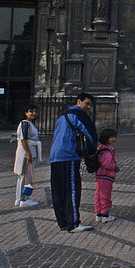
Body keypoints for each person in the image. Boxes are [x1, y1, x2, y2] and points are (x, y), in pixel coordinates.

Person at [49, 92, 97, 232]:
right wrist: (92, 150)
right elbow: (90, 135)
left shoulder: (62, 116)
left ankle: (63, 222)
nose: (88, 107)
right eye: (87, 103)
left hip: (55, 157)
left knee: (58, 191)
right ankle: (74, 223)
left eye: (90, 105)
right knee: (72, 189)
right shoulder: (79, 116)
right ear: (78, 102)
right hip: (69, 155)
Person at [14, 104, 41, 208]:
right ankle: (24, 198)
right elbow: (23, 139)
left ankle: (19, 198)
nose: (33, 113)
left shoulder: (27, 124)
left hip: (25, 152)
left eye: (34, 111)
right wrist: (29, 153)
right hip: (27, 152)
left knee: (22, 177)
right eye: (31, 111)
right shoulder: (25, 124)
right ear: (26, 113)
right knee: (26, 177)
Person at [94, 128, 119, 223]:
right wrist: (115, 167)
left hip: (99, 175)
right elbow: (107, 164)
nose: (113, 139)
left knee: (99, 195)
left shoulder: (101, 149)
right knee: (105, 195)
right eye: (111, 137)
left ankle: (99, 213)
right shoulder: (107, 151)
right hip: (106, 176)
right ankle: (105, 214)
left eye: (114, 137)